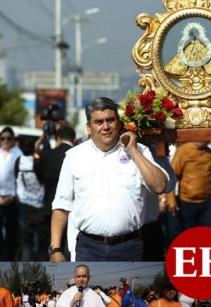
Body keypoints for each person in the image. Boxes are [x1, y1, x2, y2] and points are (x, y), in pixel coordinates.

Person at [49, 97, 168, 261]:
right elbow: (62, 205)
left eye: (110, 120)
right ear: (89, 128)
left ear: (119, 123)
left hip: (130, 247)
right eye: (99, 122)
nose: (105, 127)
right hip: (88, 248)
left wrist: (133, 151)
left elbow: (160, 186)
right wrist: (55, 249)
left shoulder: (140, 151)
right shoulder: (74, 156)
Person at [35, 126, 76, 256]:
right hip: (72, 209)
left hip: (48, 204)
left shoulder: (47, 154)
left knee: (47, 243)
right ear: (74, 139)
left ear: (58, 138)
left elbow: (39, 176)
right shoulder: (77, 155)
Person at [166, 141, 211, 229]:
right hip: (187, 202)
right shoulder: (183, 151)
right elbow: (173, 176)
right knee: (190, 235)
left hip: (207, 202)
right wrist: (171, 199)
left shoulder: (208, 151)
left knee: (210, 234)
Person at [0, 126, 22, 260]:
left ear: (13, 140)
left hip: (12, 197)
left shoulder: (18, 154)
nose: (5, 141)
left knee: (11, 229)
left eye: (8, 138)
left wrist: (12, 196)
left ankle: (9, 256)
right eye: (3, 138)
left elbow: (19, 178)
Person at [15, 136, 47, 260]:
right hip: (40, 205)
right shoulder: (38, 161)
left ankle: (26, 260)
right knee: (42, 241)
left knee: (26, 241)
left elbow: (15, 178)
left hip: (24, 204)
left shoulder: (18, 161)